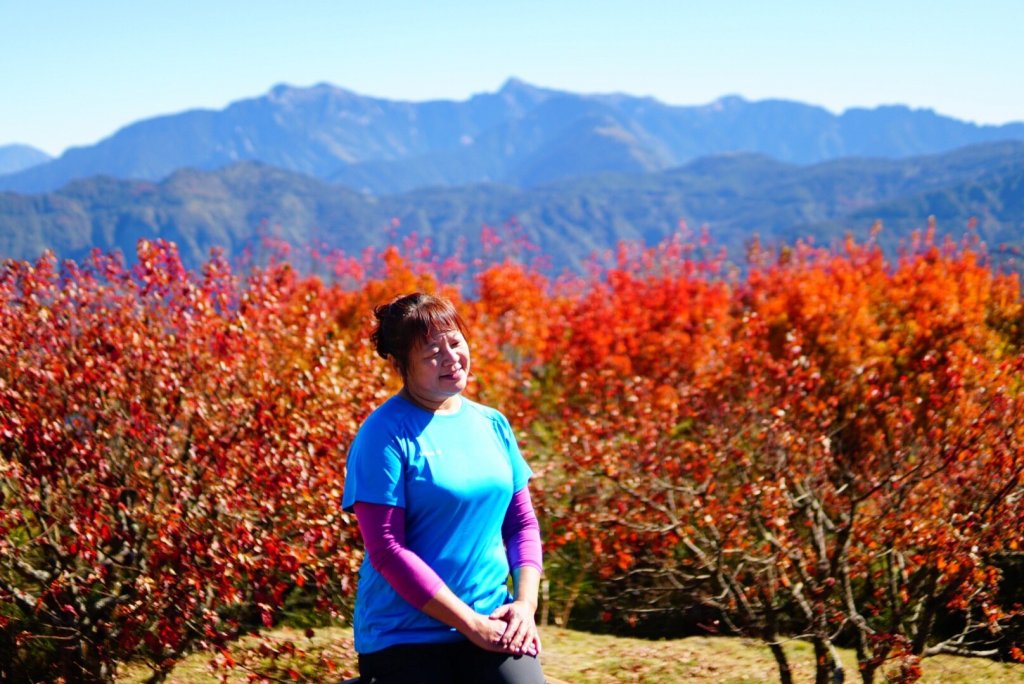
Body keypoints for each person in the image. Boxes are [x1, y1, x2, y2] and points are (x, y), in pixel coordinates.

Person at [342, 292, 546, 684]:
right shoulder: (383, 435)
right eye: (432, 352)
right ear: (402, 365)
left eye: (454, 342)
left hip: (492, 617)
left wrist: (524, 605)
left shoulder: (493, 424)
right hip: (404, 635)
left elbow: (521, 525)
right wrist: (468, 624)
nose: (450, 358)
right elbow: (386, 550)